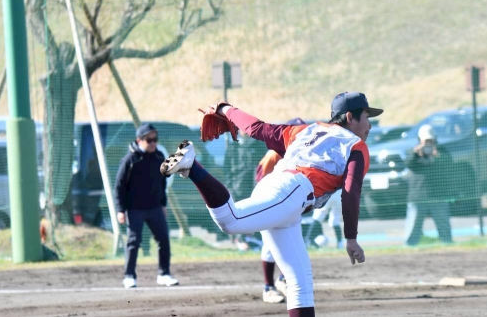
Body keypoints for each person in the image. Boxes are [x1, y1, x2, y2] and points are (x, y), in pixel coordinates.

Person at [161, 92, 382, 317]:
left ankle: (192, 167)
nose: (370, 125)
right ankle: (193, 167)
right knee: (231, 221)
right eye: (366, 116)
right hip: (291, 191)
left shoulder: (306, 130)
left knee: (300, 282)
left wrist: (225, 109)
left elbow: (258, 128)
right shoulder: (356, 146)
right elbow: (351, 191)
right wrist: (351, 237)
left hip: (283, 195)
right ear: (349, 117)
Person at [114, 123, 179, 288]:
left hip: (155, 207)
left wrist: (163, 204)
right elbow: (119, 186)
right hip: (135, 208)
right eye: (149, 140)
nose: (153, 143)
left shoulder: (159, 157)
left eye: (155, 139)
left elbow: (162, 183)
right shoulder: (130, 160)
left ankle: (164, 274)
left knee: (163, 239)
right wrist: (120, 210)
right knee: (133, 241)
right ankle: (129, 276)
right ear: (139, 140)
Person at [255, 117, 305, 304]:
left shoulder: (302, 153)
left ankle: (283, 279)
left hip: (290, 204)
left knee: (293, 242)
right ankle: (268, 287)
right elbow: (260, 180)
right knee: (270, 246)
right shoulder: (274, 154)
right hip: (269, 201)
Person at [404, 124, 453, 246]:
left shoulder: (441, 151)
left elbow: (449, 164)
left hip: (438, 195)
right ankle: (410, 245)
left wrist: (437, 155)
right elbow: (408, 163)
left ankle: (447, 243)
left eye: (430, 140)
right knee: (413, 224)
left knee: (443, 223)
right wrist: (416, 153)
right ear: (420, 140)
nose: (428, 143)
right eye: (426, 141)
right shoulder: (413, 152)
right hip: (418, 196)